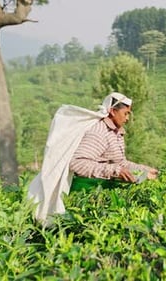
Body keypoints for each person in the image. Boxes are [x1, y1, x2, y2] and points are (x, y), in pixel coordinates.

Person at [27, 92, 158, 225]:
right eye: (126, 113)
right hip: (84, 192)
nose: (128, 118)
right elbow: (77, 163)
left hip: (101, 191)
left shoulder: (115, 132)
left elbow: (120, 162)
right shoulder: (99, 132)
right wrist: (114, 171)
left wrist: (145, 170)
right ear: (113, 111)